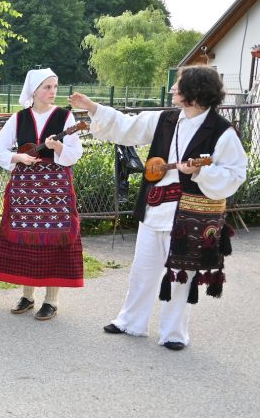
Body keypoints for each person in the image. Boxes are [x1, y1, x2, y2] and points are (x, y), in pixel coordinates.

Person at [70, 65, 247, 350]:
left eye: (178, 85)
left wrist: (201, 173)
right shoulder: (165, 119)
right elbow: (127, 126)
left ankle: (174, 333)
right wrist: (92, 107)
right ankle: (131, 321)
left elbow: (235, 175)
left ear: (194, 92)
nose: (173, 89)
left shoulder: (222, 132)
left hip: (191, 214)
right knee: (143, 268)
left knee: (181, 274)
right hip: (155, 208)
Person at [0, 68, 84, 321]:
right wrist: (18, 157)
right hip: (25, 189)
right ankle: (27, 295)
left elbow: (75, 154)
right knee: (25, 239)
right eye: (47, 87)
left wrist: (59, 146)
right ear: (34, 90)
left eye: (55, 87)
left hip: (55, 190)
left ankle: (51, 300)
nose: (53, 92)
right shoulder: (19, 118)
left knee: (54, 239)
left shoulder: (65, 117)